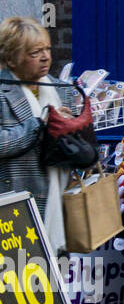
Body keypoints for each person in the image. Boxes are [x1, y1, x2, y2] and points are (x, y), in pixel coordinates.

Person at [0, 17, 72, 254]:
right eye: (34, 52)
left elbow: (80, 157)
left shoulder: (61, 89)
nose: (45, 57)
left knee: (56, 283)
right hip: (15, 208)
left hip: (59, 205)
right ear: (11, 59)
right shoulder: (2, 92)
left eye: (47, 49)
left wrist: (75, 130)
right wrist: (40, 124)